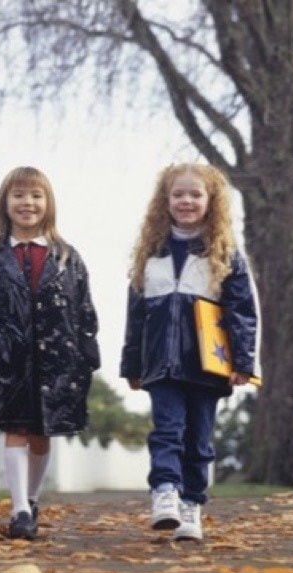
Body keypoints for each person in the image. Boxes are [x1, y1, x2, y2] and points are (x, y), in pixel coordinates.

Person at [0, 166, 100, 540]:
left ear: (48, 204)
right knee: (14, 428)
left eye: (36, 195)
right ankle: (18, 511)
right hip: (6, 361)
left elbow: (84, 312)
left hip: (57, 363)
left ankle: (30, 499)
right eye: (18, 195)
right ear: (5, 202)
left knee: (40, 434)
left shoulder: (68, 257)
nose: (27, 203)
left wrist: (87, 359)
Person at [120, 163, 261, 541]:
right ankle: (165, 491)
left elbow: (242, 313)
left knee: (198, 441)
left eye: (195, 194)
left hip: (206, 365)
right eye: (178, 194)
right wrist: (132, 363)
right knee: (167, 432)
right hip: (161, 365)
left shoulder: (225, 255)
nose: (186, 201)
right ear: (164, 202)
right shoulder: (150, 255)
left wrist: (243, 362)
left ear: (210, 201)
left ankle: (191, 506)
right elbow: (136, 316)